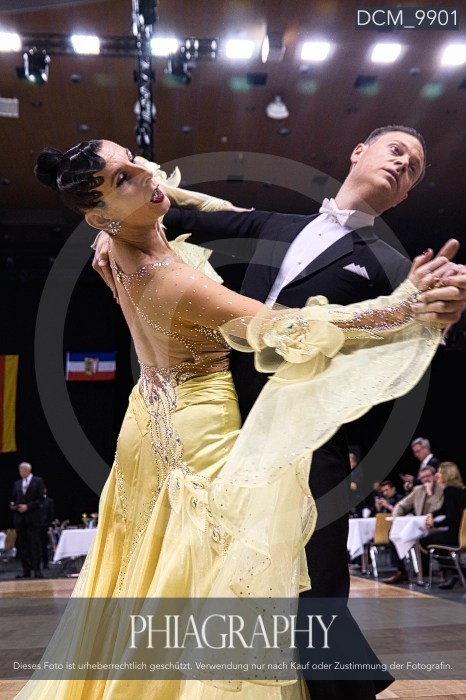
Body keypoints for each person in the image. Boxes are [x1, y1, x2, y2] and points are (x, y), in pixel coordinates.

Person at [13, 138, 462, 700]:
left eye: (415, 166)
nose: (403, 164)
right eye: (396, 150)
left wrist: (437, 308)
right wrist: (112, 216)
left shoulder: (391, 262)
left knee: (309, 578)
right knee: (214, 571)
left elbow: (174, 201)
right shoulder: (264, 229)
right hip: (213, 427)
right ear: (357, 152)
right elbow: (265, 301)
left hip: (287, 431)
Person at [382, 465, 444, 584]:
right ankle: (400, 570)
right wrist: (396, 517)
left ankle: (440, 570)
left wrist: (430, 493)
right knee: (394, 531)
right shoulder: (418, 490)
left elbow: (440, 509)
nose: (426, 479)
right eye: (423, 477)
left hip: (436, 524)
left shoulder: (441, 489)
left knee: (425, 538)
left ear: (434, 476)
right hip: (420, 525)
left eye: (428, 476)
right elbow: (401, 505)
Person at [421, 461, 466, 588]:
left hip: (455, 534)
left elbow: (451, 518)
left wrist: (434, 524)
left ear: (447, 474)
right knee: (438, 545)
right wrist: (432, 514)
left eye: (440, 472)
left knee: (424, 540)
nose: (437, 475)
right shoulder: (459, 490)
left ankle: (454, 572)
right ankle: (452, 573)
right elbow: (445, 509)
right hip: (461, 533)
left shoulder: (449, 491)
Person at [9, 462, 45, 579]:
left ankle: (37, 570)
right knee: (22, 545)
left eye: (24, 470)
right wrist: (14, 505)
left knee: (34, 545)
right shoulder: (17, 483)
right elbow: (14, 498)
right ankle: (26, 569)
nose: (22, 473)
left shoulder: (38, 481)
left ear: (29, 470)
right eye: (20, 471)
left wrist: (28, 507)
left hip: (33, 518)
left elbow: (41, 499)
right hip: (20, 519)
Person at [40, 486, 55, 569]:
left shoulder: (49, 501)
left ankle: (45, 563)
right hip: (34, 526)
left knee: (44, 545)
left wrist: (47, 524)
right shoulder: (34, 501)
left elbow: (51, 514)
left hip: (44, 526)